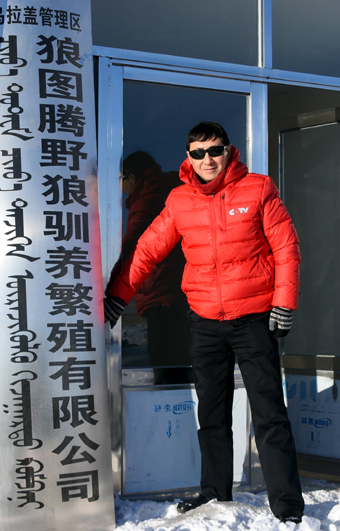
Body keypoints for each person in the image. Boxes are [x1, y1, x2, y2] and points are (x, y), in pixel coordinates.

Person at [104, 122, 304, 523]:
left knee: (269, 412)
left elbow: (286, 246)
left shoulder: (258, 188)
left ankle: (287, 504)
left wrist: (284, 304)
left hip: (253, 320)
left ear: (228, 151)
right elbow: (147, 250)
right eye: (198, 153)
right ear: (189, 157)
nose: (207, 159)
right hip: (205, 321)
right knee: (211, 414)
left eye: (214, 150)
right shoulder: (180, 200)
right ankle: (214, 492)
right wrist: (118, 297)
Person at [108, 151, 191, 383]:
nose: (120, 188)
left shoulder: (147, 201)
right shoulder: (175, 190)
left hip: (162, 296)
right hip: (186, 294)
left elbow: (132, 248)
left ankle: (171, 405)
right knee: (184, 366)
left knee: (166, 370)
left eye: (121, 180)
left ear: (132, 177)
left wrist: (111, 290)